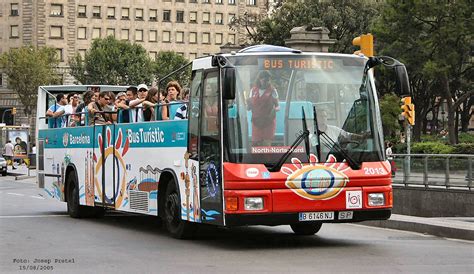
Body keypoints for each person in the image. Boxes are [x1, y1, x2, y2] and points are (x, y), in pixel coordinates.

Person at [246, 70, 280, 146]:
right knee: (255, 145)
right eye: (264, 79)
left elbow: (278, 106)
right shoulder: (253, 90)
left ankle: (267, 158)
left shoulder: (273, 91)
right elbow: (249, 106)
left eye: (268, 80)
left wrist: (274, 110)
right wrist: (248, 105)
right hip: (256, 122)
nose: (266, 82)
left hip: (268, 122)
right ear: (260, 79)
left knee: (266, 146)